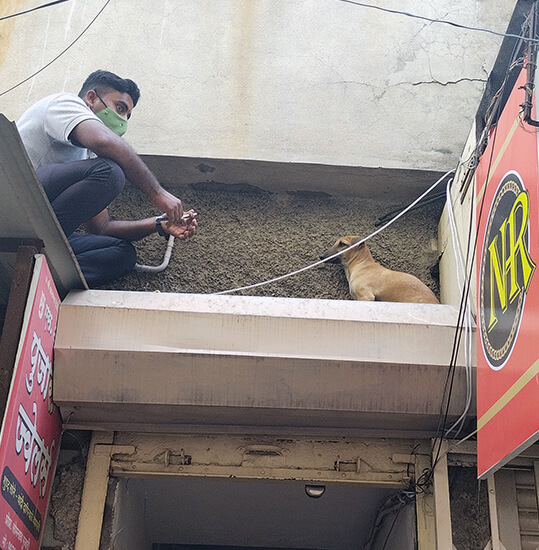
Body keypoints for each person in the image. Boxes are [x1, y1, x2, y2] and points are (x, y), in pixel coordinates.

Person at [16, 69, 197, 287]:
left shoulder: (87, 157)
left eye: (127, 116)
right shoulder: (64, 104)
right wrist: (157, 193)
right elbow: (104, 141)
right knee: (110, 172)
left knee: (122, 254)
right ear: (91, 98)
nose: (122, 120)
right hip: (14, 206)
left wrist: (159, 223)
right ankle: (37, 250)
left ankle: (43, 281)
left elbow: (101, 228)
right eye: (119, 108)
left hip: (41, 232)